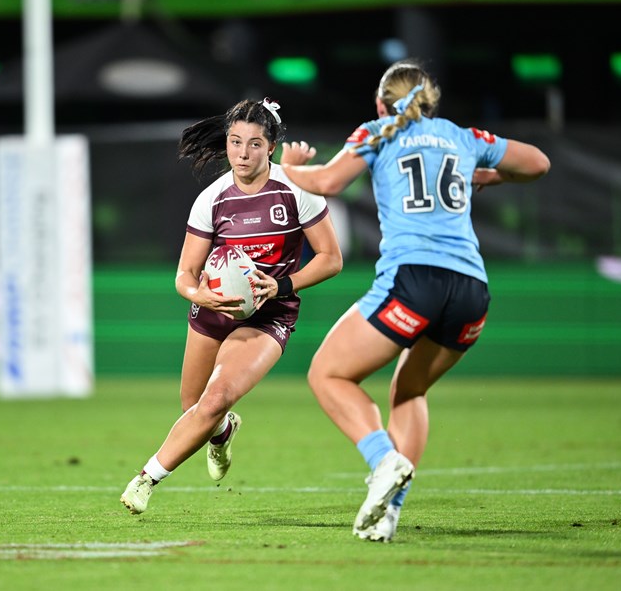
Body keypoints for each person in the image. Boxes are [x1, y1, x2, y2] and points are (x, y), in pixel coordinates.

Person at [280, 59, 550, 542]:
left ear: (382, 102)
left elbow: (328, 183)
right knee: (410, 390)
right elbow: (537, 164)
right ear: (430, 101)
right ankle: (388, 514)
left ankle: (384, 461)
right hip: (471, 291)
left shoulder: (380, 131)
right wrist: (485, 176)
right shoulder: (462, 137)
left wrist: (291, 168)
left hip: (415, 279)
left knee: (328, 374)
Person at [120, 98, 343, 515]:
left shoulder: (297, 189)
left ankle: (145, 479)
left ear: (272, 146)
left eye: (254, 144)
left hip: (269, 314)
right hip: (212, 310)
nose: (243, 153)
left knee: (215, 395)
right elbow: (185, 273)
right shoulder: (211, 199)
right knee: (195, 407)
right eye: (235, 142)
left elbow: (331, 258)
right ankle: (222, 433)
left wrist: (280, 285)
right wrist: (196, 294)